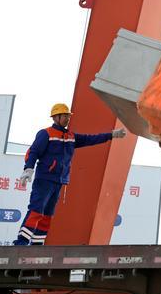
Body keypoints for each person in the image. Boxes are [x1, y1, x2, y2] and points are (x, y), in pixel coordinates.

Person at [13, 103, 126, 245]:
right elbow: (34, 151)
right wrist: (28, 169)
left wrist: (112, 134)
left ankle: (37, 244)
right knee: (36, 210)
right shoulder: (46, 134)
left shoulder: (71, 136)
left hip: (59, 181)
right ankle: (21, 243)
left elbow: (91, 139)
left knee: (47, 215)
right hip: (44, 179)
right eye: (65, 116)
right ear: (56, 117)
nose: (68, 119)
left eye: (68, 116)